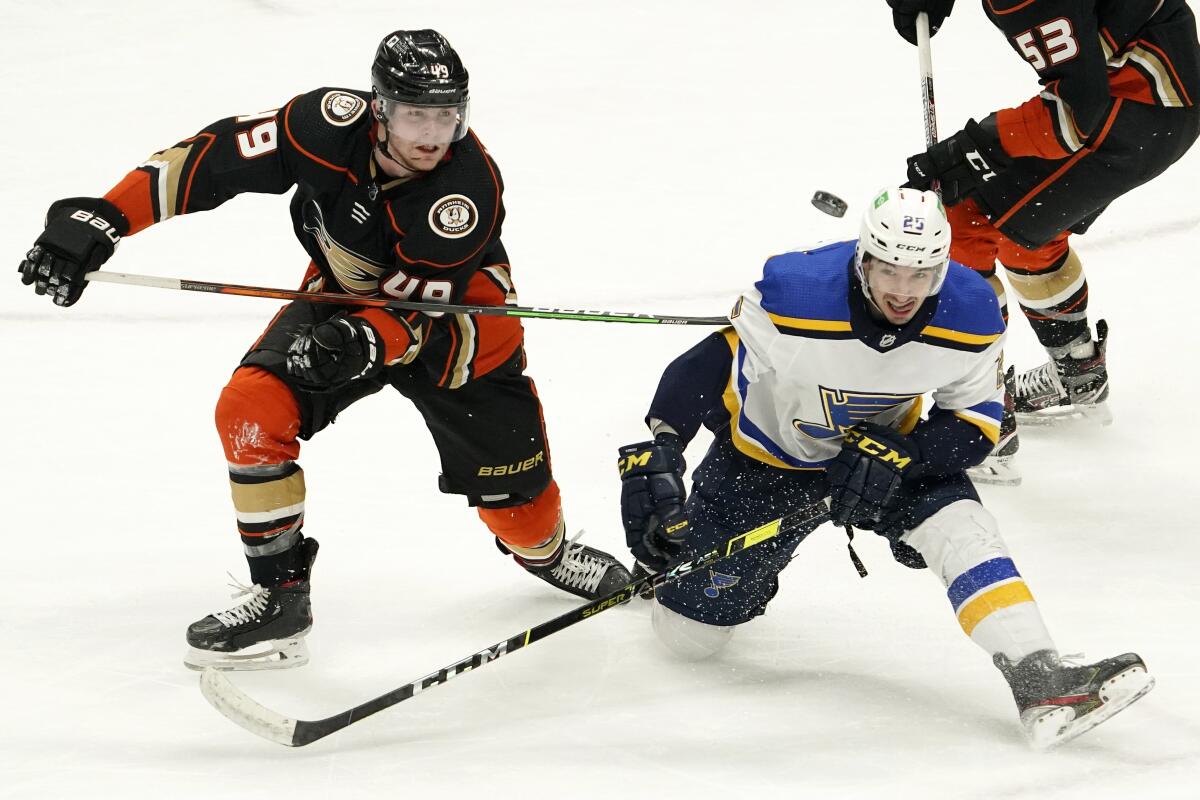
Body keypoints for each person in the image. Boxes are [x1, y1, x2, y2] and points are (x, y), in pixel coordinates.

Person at [18, 29, 631, 671]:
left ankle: (549, 553)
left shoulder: (463, 191)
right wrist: (103, 217)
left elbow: (419, 311)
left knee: (522, 520)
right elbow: (209, 159)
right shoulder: (322, 124)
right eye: (415, 113)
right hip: (343, 300)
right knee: (251, 408)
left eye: (447, 115)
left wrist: (367, 338)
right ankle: (281, 599)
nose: (431, 134)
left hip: (459, 339)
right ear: (378, 107)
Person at [616, 187, 1152, 747]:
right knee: (689, 640)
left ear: (941, 268)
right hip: (764, 463)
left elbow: (975, 424)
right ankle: (689, 584)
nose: (903, 290)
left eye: (920, 274)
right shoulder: (793, 292)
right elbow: (712, 360)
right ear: (863, 259)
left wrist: (912, 454)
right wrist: (664, 442)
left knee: (963, 529)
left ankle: (1041, 681)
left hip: (886, 457)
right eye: (889, 270)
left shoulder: (970, 313)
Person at [886, 0, 1200, 426]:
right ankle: (1078, 370)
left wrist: (972, 149)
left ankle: (982, 411)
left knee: (964, 223)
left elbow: (1075, 114)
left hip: (1136, 105)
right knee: (1027, 231)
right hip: (1154, 92)